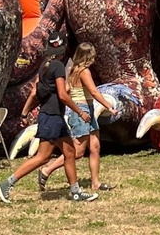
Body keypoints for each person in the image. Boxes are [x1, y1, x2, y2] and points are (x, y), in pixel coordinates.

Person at [0, 33, 98, 203]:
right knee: (42, 157)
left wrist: (25, 111)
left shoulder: (45, 65)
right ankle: (7, 183)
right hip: (51, 117)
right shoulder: (57, 66)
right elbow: (63, 95)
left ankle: (75, 191)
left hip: (52, 115)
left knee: (70, 152)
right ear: (63, 48)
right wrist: (80, 112)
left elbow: (36, 92)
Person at [37, 43, 117, 192]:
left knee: (95, 146)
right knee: (77, 152)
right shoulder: (83, 71)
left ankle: (95, 183)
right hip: (83, 110)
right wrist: (109, 107)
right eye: (92, 56)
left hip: (89, 109)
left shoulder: (72, 69)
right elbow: (94, 91)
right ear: (87, 56)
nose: (94, 58)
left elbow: (67, 89)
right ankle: (47, 170)